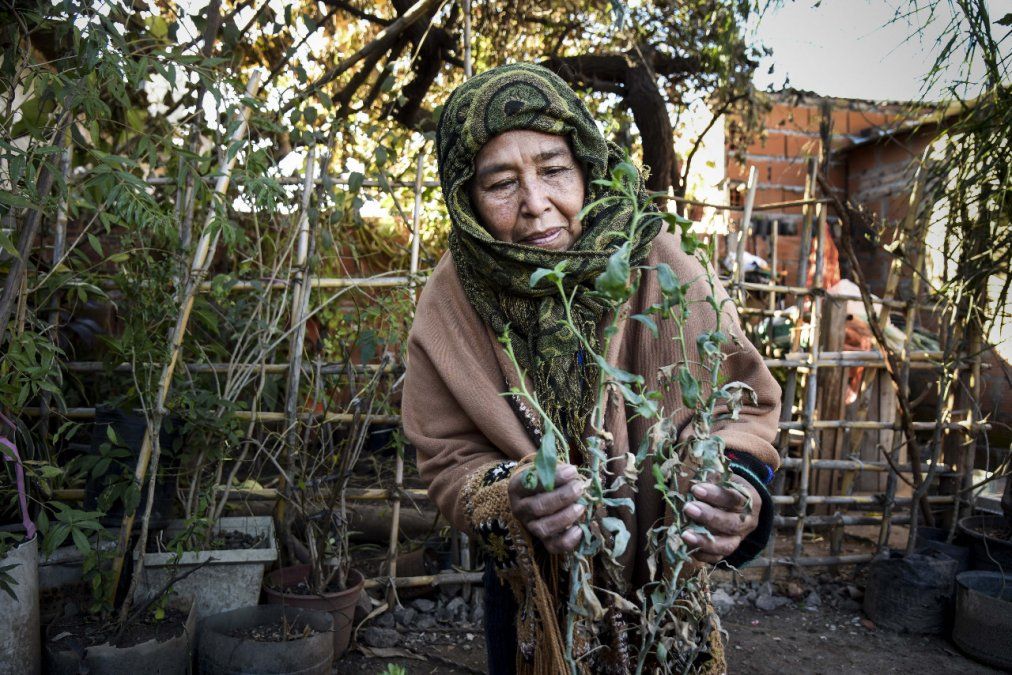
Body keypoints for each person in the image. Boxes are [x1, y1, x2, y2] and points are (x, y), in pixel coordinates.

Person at [403, 63, 781, 674]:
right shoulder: (453, 299)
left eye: (554, 171)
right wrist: (511, 492)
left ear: (587, 167)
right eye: (500, 184)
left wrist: (733, 488)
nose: (536, 205)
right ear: (465, 196)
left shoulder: (660, 260)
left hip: (664, 591)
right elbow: (447, 455)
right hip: (535, 598)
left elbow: (744, 405)